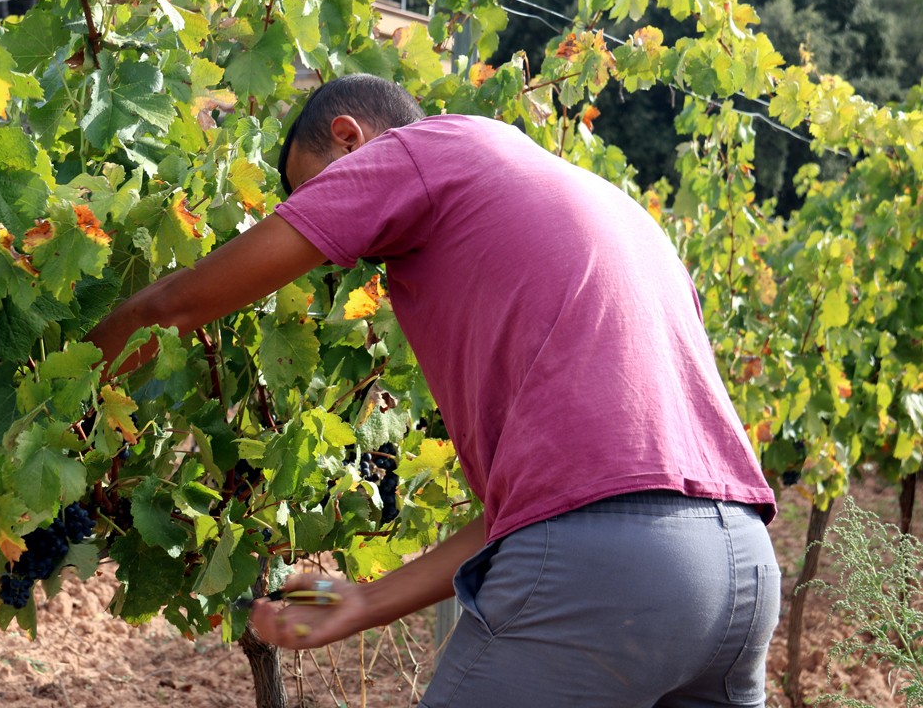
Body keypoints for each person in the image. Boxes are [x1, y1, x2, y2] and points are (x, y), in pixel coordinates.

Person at [86, 74, 780, 707]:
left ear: (349, 138)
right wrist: (360, 603)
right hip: (741, 573)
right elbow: (531, 516)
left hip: (607, 577)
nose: (331, 255)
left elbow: (176, 305)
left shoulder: (422, 150)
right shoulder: (603, 210)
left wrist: (77, 380)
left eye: (310, 192)